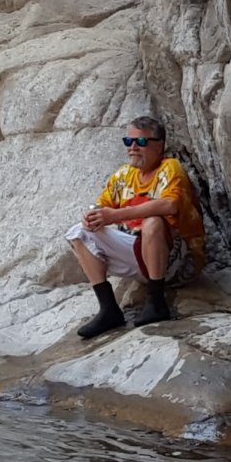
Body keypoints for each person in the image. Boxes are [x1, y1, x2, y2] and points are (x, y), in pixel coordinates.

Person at [65, 116, 206, 339]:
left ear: (159, 145)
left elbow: (169, 204)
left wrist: (116, 215)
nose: (132, 148)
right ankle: (109, 309)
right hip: (138, 254)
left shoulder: (170, 168)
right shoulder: (123, 175)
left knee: (153, 221)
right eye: (128, 142)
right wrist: (94, 215)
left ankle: (157, 301)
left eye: (140, 143)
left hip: (177, 262)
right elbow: (103, 206)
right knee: (78, 232)